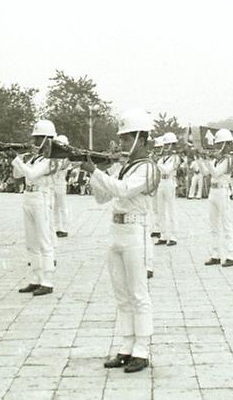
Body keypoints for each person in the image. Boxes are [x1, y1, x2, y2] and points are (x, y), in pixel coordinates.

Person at [81, 108, 159, 374]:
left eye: (127, 138)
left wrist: (97, 171)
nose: (122, 143)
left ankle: (142, 349)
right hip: (117, 231)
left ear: (141, 138)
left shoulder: (148, 168)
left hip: (136, 230)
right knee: (121, 294)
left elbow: (123, 190)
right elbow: (104, 198)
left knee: (138, 293)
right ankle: (127, 346)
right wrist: (95, 174)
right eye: (123, 138)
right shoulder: (126, 167)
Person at [12, 119, 58, 297]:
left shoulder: (52, 159)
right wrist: (19, 160)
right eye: (35, 138)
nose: (35, 142)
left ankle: (47, 280)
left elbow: (31, 173)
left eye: (39, 138)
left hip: (41, 196)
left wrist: (17, 160)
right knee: (31, 241)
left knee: (44, 240)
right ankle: (36, 277)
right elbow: (18, 175)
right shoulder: (34, 158)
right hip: (29, 196)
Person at [201, 129, 233, 268]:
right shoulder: (217, 160)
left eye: (220, 144)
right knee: (213, 225)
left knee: (226, 224)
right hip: (213, 191)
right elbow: (206, 173)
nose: (217, 147)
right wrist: (201, 160)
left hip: (222, 191)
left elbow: (216, 173)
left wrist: (209, 161)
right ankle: (215, 254)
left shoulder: (228, 159)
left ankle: (230, 255)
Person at [155, 132, 181, 246]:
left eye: (168, 145)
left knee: (171, 210)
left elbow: (167, 170)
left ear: (172, 145)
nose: (165, 147)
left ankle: (173, 236)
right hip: (161, 182)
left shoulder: (175, 158)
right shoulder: (162, 158)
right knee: (161, 210)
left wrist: (157, 163)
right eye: (164, 145)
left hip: (170, 181)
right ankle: (163, 235)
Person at [51, 135, 71, 238]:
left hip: (61, 183)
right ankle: (56, 227)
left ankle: (64, 228)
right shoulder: (55, 156)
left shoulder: (66, 158)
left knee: (63, 206)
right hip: (53, 182)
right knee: (54, 207)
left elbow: (62, 167)